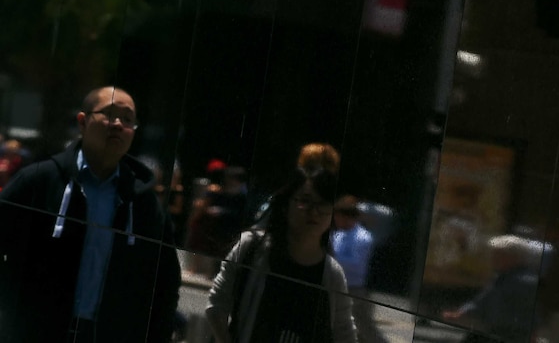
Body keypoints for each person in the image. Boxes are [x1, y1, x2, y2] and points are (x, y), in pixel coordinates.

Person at [0, 86, 181, 342]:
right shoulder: (40, 180)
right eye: (108, 114)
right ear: (83, 122)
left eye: (128, 119)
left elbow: (165, 283)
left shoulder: (144, 204)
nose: (118, 124)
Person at [206, 166, 357, 343]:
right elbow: (216, 306)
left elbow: (344, 333)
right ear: (286, 205)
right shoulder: (251, 247)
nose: (314, 212)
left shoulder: (332, 273)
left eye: (323, 204)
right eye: (305, 201)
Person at [442, 234, 540, 343]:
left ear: (513, 257)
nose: (493, 258)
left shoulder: (525, 282)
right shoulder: (501, 277)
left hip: (511, 333)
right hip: (493, 329)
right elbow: (483, 300)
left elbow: (533, 313)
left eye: (498, 255)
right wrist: (462, 313)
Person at [332, 195, 387, 343]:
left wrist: (331, 258)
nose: (336, 221)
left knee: (366, 331)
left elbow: (356, 263)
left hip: (353, 290)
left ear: (346, 217)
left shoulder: (362, 237)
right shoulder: (338, 235)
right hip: (337, 287)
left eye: (338, 217)